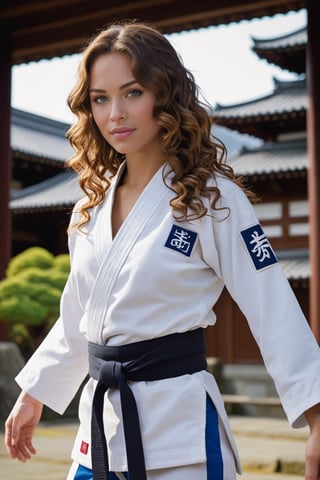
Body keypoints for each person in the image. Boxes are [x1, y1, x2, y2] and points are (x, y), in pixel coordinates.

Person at [4, 20, 320, 480]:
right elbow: (79, 319)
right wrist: (34, 393)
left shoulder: (213, 198)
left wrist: (316, 416)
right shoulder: (88, 209)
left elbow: (272, 306)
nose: (115, 113)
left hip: (181, 435)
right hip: (100, 432)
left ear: (164, 94)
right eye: (100, 98)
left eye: (133, 92)